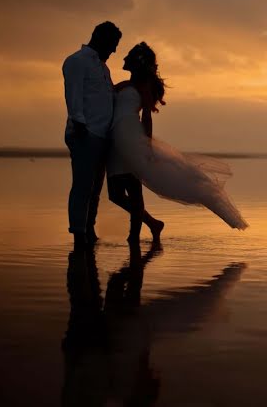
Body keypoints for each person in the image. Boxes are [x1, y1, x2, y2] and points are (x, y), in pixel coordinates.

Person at [106, 42, 248, 240]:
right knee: (114, 194)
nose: (123, 58)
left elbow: (147, 116)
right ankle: (153, 224)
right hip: (115, 139)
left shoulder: (143, 86)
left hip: (131, 138)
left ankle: (134, 238)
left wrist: (147, 145)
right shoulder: (124, 85)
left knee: (132, 189)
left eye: (128, 56)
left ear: (137, 62)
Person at [62, 21, 122, 246]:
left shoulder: (103, 68)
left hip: (102, 135)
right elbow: (73, 97)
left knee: (95, 188)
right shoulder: (76, 62)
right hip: (85, 133)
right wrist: (80, 128)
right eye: (113, 44)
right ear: (101, 39)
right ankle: (78, 233)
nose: (115, 50)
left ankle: (89, 230)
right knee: (82, 185)